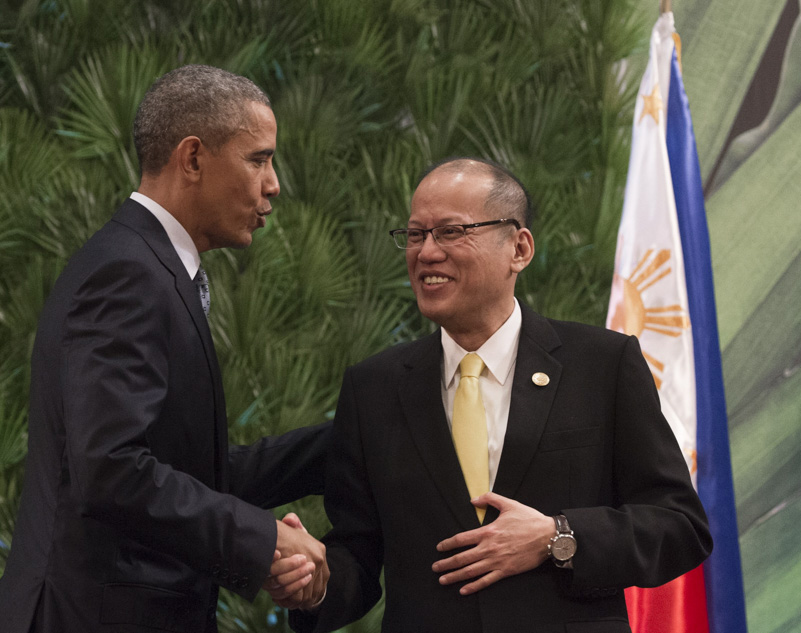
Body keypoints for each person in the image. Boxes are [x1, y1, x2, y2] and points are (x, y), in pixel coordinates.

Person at [289, 158, 712, 633]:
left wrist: (558, 536)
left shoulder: (601, 364)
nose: (426, 252)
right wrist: (314, 580)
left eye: (450, 232)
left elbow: (679, 527)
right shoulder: (374, 388)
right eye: (414, 234)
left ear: (519, 247)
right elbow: (360, 557)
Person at [0, 65, 330, 633]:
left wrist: (354, 438)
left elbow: (191, 472)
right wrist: (262, 537)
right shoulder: (129, 273)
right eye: (259, 159)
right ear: (194, 158)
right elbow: (110, 470)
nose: (273, 184)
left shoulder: (145, 265)